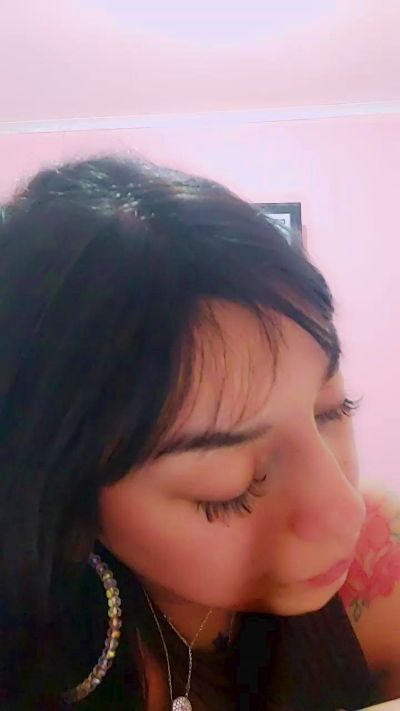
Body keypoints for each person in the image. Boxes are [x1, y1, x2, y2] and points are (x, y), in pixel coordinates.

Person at [0, 155, 399, 711]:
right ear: (61, 503)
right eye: (229, 485)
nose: (345, 511)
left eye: (332, 409)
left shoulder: (379, 553)